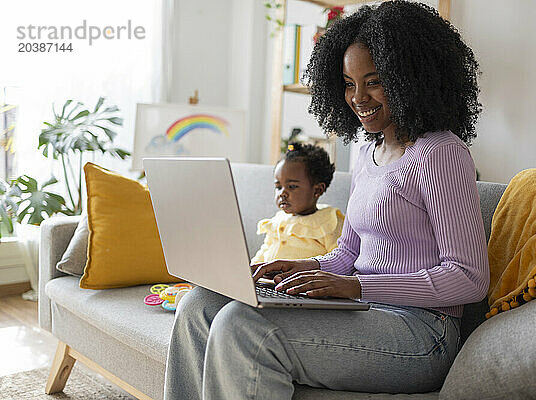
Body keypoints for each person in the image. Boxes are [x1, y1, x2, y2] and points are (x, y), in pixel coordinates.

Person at [164, 1, 489, 398]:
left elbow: (469, 278)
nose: (358, 98)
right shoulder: (367, 152)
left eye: (373, 81)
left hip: (422, 331)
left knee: (241, 325)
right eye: (349, 84)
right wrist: (292, 268)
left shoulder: (442, 153)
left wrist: (357, 287)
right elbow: (347, 252)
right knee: (198, 305)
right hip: (363, 308)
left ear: (410, 78)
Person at [251, 143, 344, 265]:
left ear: (317, 190)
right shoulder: (278, 220)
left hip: (303, 282)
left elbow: (339, 259)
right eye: (278, 187)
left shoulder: (330, 221)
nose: (282, 193)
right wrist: (249, 273)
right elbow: (264, 253)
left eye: (292, 186)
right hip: (268, 282)